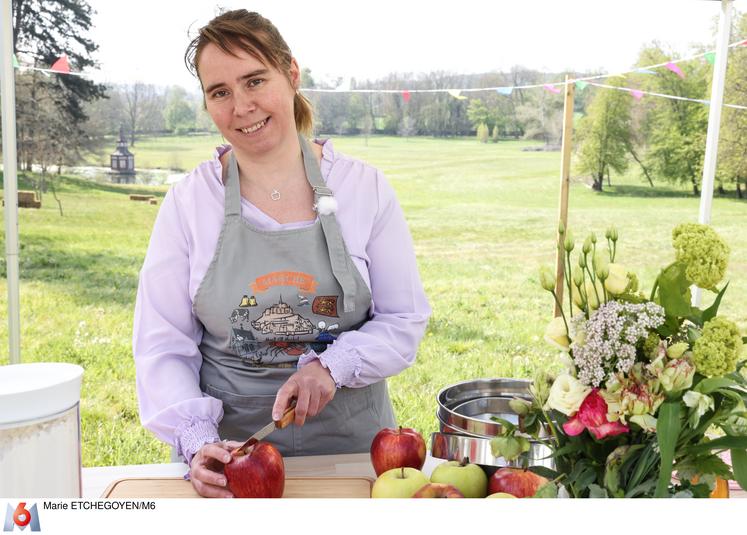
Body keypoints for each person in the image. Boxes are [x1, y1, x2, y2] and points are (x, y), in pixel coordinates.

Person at [132, 9, 431, 498]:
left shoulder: (364, 188)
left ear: (291, 74)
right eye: (220, 92)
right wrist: (197, 439)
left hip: (353, 452)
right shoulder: (190, 202)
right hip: (231, 459)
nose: (241, 106)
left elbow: (403, 319)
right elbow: (163, 345)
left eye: (254, 80)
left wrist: (330, 366)